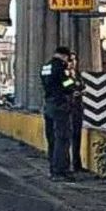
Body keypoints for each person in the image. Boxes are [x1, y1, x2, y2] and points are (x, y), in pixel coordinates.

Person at [40, 46, 78, 182]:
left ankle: (53, 169)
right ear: (64, 56)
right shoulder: (60, 68)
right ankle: (61, 171)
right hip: (60, 105)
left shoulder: (45, 67)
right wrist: (75, 85)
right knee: (62, 139)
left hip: (48, 105)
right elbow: (66, 84)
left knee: (52, 139)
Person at [67, 52, 85, 173]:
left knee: (77, 136)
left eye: (74, 60)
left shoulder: (77, 74)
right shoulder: (65, 74)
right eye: (70, 60)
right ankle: (69, 164)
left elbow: (82, 85)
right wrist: (73, 88)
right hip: (68, 108)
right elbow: (63, 86)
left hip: (78, 107)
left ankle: (77, 164)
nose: (73, 63)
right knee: (68, 138)